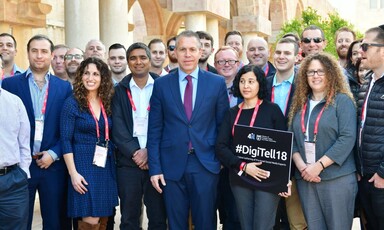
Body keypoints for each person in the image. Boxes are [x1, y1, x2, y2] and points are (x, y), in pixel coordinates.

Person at [148, 30, 229, 230]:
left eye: (192, 49)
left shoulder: (216, 83)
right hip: (171, 165)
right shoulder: (161, 85)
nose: (187, 54)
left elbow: (223, 126)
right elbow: (155, 130)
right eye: (182, 49)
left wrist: (219, 160)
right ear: (174, 52)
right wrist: (155, 168)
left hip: (206, 164)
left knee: (206, 222)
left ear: (201, 52)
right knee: (176, 224)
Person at [1, 34, 72, 230]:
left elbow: (67, 128)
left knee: (54, 222)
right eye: (34, 51)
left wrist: (54, 153)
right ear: (27, 54)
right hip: (21, 167)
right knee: (20, 222)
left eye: (43, 51)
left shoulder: (64, 87)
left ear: (51, 55)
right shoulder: (10, 85)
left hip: (53, 165)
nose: (39, 56)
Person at [215, 64, 291, 230]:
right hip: (240, 176)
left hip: (268, 177)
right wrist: (242, 165)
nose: (246, 86)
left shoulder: (272, 110)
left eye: (251, 81)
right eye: (242, 81)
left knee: (263, 226)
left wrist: (285, 179)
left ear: (260, 84)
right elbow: (220, 146)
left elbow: (284, 146)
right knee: (246, 226)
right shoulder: (232, 113)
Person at [288, 52, 357, 229]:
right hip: (306, 179)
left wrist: (318, 166)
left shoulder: (342, 101)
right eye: (311, 72)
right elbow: (292, 138)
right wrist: (303, 167)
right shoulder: (299, 104)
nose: (315, 76)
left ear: (331, 73)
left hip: (336, 180)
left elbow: (347, 138)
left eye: (321, 71)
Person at [112, 42, 167, 230]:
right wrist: (136, 152)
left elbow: (168, 124)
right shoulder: (118, 90)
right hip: (128, 163)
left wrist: (150, 153)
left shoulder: (163, 86)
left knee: (158, 218)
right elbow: (117, 127)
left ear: (150, 60)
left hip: (156, 163)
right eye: (133, 58)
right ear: (128, 62)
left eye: (143, 57)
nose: (138, 62)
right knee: (129, 218)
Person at [60, 57, 118, 229]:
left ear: (103, 78)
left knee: (103, 217)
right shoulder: (72, 103)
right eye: (86, 73)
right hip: (82, 166)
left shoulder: (107, 101)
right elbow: (65, 140)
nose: (90, 78)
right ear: (80, 76)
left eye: (95, 74)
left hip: (105, 165)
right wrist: (73, 174)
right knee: (89, 219)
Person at [266, 38, 307, 230]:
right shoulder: (262, 85)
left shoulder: (305, 86)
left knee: (296, 221)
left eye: (287, 53)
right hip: (266, 158)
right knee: (268, 219)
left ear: (297, 57)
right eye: (279, 52)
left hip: (296, 159)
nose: (282, 57)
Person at [356, 25, 384, 230]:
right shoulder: (366, 82)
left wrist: (383, 174)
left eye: (366, 46)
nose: (360, 51)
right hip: (365, 176)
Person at [0, 54, 31, 230]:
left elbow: (23, 142)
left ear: (1, 72)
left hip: (12, 183)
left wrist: (23, 171)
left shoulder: (14, 102)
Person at [213, 46, 242, 230]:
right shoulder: (207, 89)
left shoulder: (247, 88)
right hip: (211, 160)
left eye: (230, 61)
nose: (226, 65)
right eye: (221, 61)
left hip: (237, 161)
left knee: (234, 215)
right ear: (215, 65)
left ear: (238, 64)